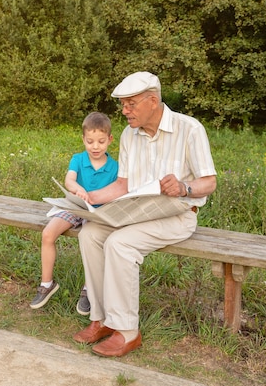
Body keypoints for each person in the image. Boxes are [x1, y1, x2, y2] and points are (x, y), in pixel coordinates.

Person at [72, 72, 217, 357]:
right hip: (136, 213)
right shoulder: (129, 134)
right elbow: (123, 185)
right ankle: (100, 319)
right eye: (123, 105)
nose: (124, 111)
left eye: (130, 104)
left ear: (152, 101)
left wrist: (184, 187)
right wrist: (88, 199)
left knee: (119, 243)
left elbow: (209, 182)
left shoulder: (190, 129)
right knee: (89, 234)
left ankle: (127, 331)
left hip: (176, 216)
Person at [30, 112, 118, 315]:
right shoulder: (78, 159)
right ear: (83, 139)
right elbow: (69, 180)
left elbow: (116, 191)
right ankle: (47, 284)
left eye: (101, 142)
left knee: (91, 243)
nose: (95, 147)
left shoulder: (115, 167)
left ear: (110, 140)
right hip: (75, 206)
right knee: (48, 234)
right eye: (90, 141)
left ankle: (89, 289)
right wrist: (77, 189)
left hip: (96, 213)